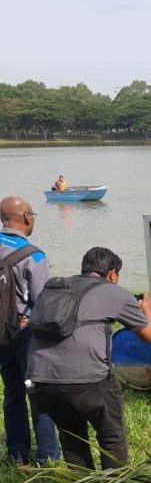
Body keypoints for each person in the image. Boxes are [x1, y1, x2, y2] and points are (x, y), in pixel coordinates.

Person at [28, 247, 151, 470]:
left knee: (72, 438)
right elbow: (149, 335)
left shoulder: (56, 288)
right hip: (87, 380)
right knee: (111, 435)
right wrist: (147, 310)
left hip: (40, 380)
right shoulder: (112, 291)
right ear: (112, 273)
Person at [0, 196, 59, 465]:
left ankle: (17, 452)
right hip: (24, 333)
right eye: (33, 214)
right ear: (25, 217)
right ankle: (46, 455)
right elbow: (43, 303)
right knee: (38, 392)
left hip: (0, 334)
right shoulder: (33, 255)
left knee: (12, 392)